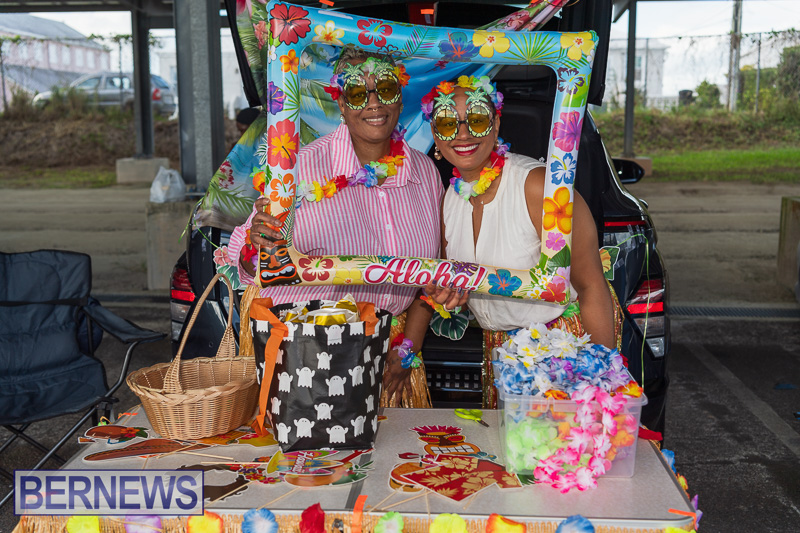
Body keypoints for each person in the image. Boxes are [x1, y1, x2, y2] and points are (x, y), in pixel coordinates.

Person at [229, 46, 454, 408]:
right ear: (341, 101)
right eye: (356, 91)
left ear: (400, 96)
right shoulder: (297, 169)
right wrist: (256, 240)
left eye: (385, 88)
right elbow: (245, 261)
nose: (374, 103)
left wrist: (406, 352)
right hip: (306, 355)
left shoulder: (425, 173)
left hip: (392, 354)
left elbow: (433, 275)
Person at [422, 76, 620, 409]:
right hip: (501, 352)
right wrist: (450, 293)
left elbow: (590, 287)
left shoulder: (539, 187)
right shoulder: (449, 201)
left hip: (565, 347)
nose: (464, 132)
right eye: (447, 122)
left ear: (496, 123)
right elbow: (467, 287)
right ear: (435, 136)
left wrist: (604, 387)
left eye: (478, 118)